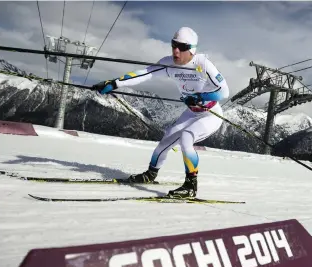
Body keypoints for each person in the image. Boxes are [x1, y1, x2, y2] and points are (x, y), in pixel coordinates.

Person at [92, 27, 229, 198]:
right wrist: (114, 83)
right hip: (191, 112)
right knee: (164, 143)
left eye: (181, 47)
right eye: (173, 45)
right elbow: (145, 73)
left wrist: (200, 96)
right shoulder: (168, 63)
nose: (175, 51)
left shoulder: (203, 64)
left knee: (187, 136)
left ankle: (190, 186)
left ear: (191, 49)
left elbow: (224, 92)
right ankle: (150, 175)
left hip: (211, 114)